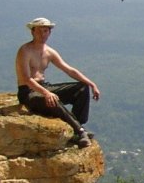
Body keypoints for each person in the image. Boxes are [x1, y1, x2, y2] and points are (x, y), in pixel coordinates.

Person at [15, 17, 100, 147]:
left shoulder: (49, 52)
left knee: (82, 88)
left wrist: (91, 84)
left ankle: (78, 127)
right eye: (39, 31)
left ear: (49, 33)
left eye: (45, 31)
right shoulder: (25, 51)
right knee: (53, 99)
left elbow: (69, 70)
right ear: (32, 32)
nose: (42, 34)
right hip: (28, 92)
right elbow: (27, 78)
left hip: (44, 86)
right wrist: (46, 93)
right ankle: (80, 131)